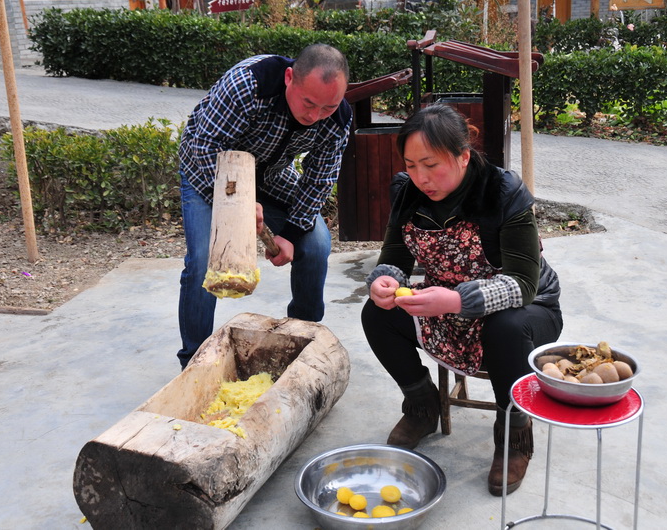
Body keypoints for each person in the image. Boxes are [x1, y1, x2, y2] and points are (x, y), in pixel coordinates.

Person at [361, 104, 563, 496]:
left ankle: (514, 432)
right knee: (377, 314)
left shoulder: (503, 191)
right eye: (411, 165)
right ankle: (422, 406)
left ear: (463, 156)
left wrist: (454, 300)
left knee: (505, 327)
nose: (421, 177)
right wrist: (384, 282)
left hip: (527, 309)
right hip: (448, 306)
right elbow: (394, 259)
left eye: (431, 165)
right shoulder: (407, 192)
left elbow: (524, 283)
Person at [176, 44, 352, 369]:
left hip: (269, 176)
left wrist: (290, 233)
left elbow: (318, 180)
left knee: (315, 244)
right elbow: (205, 148)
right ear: (289, 78)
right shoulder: (248, 84)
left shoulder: (338, 118)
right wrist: (239, 205)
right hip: (209, 172)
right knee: (203, 260)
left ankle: (302, 343)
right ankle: (194, 362)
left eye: (327, 107)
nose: (314, 116)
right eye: (308, 103)